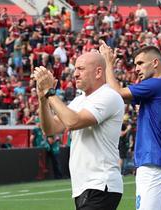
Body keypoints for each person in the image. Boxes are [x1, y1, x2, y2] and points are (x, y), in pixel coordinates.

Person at [32, 51, 124, 209]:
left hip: (101, 184)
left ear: (98, 72)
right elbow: (50, 129)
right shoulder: (80, 100)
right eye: (75, 69)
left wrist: (50, 92)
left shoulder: (109, 96)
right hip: (86, 186)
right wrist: (43, 99)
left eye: (81, 69)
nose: (75, 74)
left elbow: (73, 122)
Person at [99, 40, 161, 210]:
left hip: (153, 164)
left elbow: (118, 93)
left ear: (155, 63)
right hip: (155, 163)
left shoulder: (157, 83)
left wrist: (108, 65)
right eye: (135, 64)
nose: (136, 69)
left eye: (140, 63)